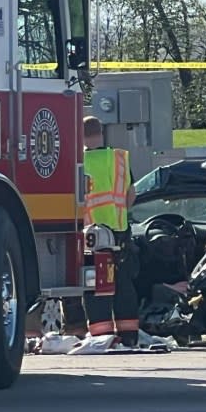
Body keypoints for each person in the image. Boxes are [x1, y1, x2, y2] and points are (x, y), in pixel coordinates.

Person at [82, 115, 139, 347]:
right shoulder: (118, 159)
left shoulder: (78, 160)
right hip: (119, 230)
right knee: (123, 283)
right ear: (101, 133)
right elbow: (131, 193)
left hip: (90, 234)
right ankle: (129, 335)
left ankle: (101, 337)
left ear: (81, 137)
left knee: (96, 285)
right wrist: (121, 213)